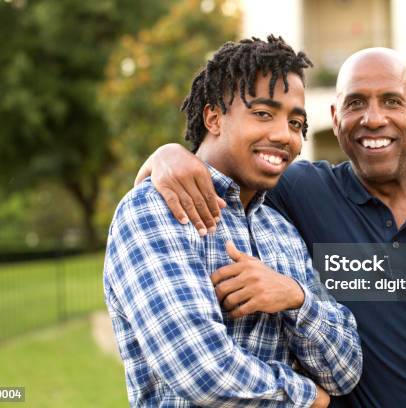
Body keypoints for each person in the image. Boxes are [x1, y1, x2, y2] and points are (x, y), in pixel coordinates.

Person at [136, 47, 406, 407]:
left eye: (392, 101)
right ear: (335, 117)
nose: (373, 118)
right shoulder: (301, 192)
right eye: (356, 103)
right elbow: (233, 161)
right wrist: (169, 154)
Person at [103, 35, 362, 407]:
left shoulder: (282, 231)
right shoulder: (155, 211)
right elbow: (201, 370)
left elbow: (346, 370)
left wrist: (295, 298)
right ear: (213, 117)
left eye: (295, 122)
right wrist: (310, 400)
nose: (282, 134)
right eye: (263, 114)